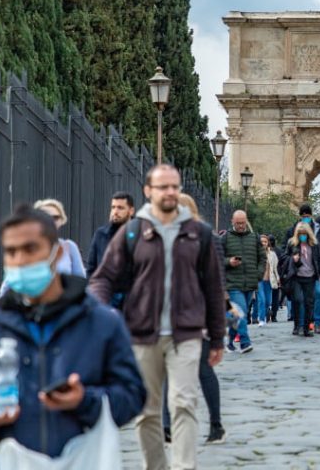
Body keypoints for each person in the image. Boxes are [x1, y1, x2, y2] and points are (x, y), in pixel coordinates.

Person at [0, 204, 145, 469]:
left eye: (31, 249)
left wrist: (85, 400)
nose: (20, 259)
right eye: (11, 252)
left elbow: (133, 397)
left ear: (57, 253)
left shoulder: (103, 323)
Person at [89, 164, 226, 470]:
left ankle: (183, 467)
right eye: (163, 187)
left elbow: (214, 288)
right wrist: (103, 310)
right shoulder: (133, 231)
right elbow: (103, 278)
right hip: (141, 333)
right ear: (148, 191)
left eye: (175, 187)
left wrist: (217, 336)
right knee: (147, 411)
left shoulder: (198, 233)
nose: (170, 192)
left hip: (186, 333)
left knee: (184, 404)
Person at [160, 194, 227, 445]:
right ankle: (167, 425)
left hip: (199, 316)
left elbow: (217, 282)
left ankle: (216, 423)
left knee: (202, 369)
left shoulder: (209, 239)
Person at [284, 204, 320, 332]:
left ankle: (318, 322)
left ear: (311, 215)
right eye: (303, 216)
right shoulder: (293, 229)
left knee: (319, 294)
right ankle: (301, 324)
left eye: (307, 215)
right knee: (299, 299)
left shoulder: (319, 230)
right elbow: (286, 251)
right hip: (298, 272)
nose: (305, 218)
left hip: (315, 269)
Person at [221, 210, 263, 351]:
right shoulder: (225, 238)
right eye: (238, 223)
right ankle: (245, 342)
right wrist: (228, 261)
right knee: (241, 312)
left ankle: (228, 340)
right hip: (232, 283)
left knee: (235, 315)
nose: (240, 225)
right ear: (232, 222)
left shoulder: (254, 237)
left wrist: (259, 274)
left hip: (250, 282)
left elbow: (262, 258)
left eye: (243, 223)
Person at [278, 222, 320, 337]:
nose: (302, 236)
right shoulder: (292, 243)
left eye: (304, 233)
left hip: (310, 276)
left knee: (309, 302)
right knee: (298, 300)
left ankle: (306, 328)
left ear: (308, 233)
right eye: (300, 233)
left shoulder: (314, 244)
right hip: (296, 276)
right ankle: (298, 326)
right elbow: (283, 257)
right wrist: (292, 258)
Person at [85, 191, 136, 276]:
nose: (115, 212)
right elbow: (91, 269)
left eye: (120, 208)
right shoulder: (100, 234)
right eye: (113, 207)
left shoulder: (140, 234)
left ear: (131, 211)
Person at [257, 234, 280, 325]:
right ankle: (261, 318)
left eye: (265, 242)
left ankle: (265, 315)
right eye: (262, 242)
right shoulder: (256, 254)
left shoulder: (272, 254)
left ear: (268, 243)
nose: (263, 243)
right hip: (259, 280)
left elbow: (275, 268)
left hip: (269, 280)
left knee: (268, 301)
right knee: (261, 299)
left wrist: (278, 278)